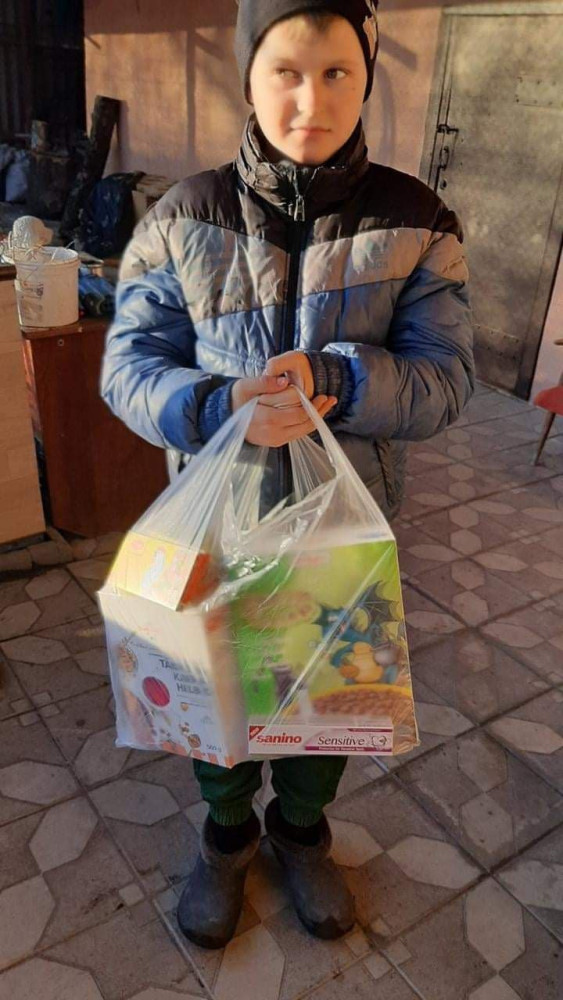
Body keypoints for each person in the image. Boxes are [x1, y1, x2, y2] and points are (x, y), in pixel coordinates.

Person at [100, 0, 474, 950]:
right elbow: (128, 368)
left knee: (323, 701)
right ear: (249, 76)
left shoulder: (417, 221)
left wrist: (336, 381)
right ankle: (226, 836)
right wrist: (216, 404)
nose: (311, 100)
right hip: (217, 523)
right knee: (214, 688)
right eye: (286, 72)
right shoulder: (182, 216)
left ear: (367, 74)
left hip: (341, 526)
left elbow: (443, 380)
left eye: (337, 71)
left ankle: (299, 833)